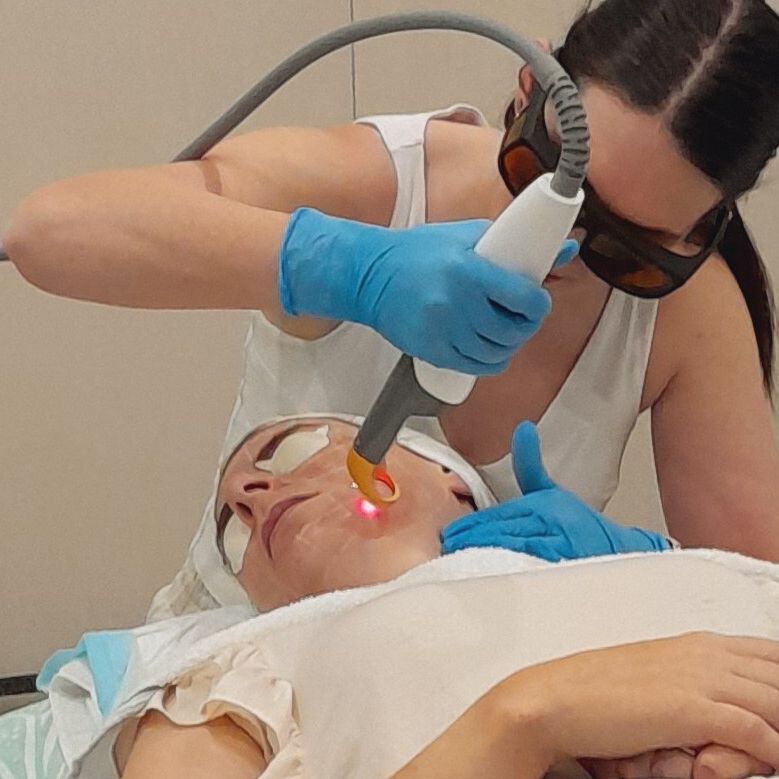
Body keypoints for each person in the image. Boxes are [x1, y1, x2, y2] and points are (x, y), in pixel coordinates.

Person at [3, 0, 778, 618]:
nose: (563, 249)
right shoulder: (380, 185)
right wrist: (349, 268)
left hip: (485, 701)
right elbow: (48, 233)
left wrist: (631, 570)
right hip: (238, 663)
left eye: (629, 248)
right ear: (527, 92)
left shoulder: (690, 314)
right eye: (552, 183)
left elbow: (757, 597)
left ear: (702, 227)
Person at [6, 416, 776, 779]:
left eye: (294, 449)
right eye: (229, 535)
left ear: (452, 478)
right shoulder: (224, 665)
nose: (246, 490)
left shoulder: (645, 568)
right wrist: (523, 721)